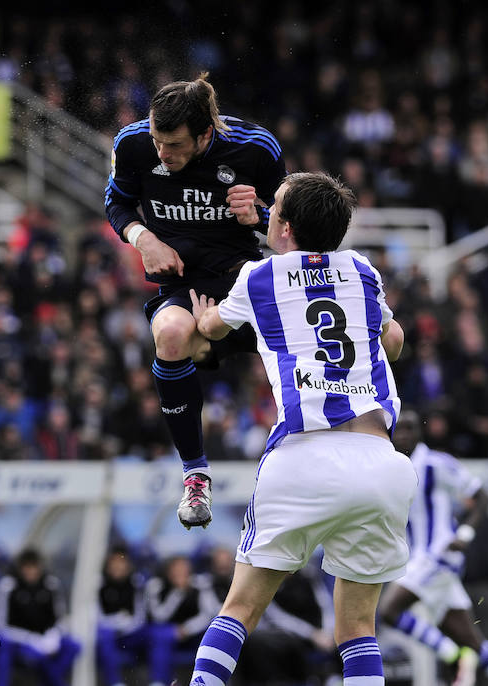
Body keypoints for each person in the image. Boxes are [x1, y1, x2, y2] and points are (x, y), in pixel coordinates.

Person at [186, 171, 415, 686]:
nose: (267, 214)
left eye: (274, 208)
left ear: (285, 228)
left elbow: (212, 329)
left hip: (304, 457)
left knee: (240, 609)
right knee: (358, 629)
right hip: (381, 463)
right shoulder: (362, 269)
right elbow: (394, 342)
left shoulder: (258, 276)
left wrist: (201, 318)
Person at [104, 72, 287, 529]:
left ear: (205, 134)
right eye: (157, 141)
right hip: (184, 285)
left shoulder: (256, 147)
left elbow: (293, 227)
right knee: (169, 335)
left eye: (174, 146)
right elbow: (117, 204)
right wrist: (144, 239)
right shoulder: (133, 144)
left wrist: (260, 215)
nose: (161, 154)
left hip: (246, 280)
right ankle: (195, 476)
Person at [379, 410, 488, 686]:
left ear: (421, 431)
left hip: (437, 556)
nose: (403, 435)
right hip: (420, 559)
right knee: (474, 643)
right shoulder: (393, 467)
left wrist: (464, 534)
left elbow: (482, 497)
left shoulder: (436, 463)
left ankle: (451, 655)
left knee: (389, 611)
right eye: (398, 429)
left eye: (410, 428)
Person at [0, 548, 81, 686]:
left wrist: (53, 636)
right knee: (37, 657)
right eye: (27, 567)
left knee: (74, 646)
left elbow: (61, 617)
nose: (31, 571)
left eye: (34, 567)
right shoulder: (8, 585)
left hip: (46, 638)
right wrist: (28, 638)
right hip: (19, 641)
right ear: (20, 568)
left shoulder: (51, 584)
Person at [145, 555, 219, 686]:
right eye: (176, 569)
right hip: (168, 634)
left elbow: (209, 614)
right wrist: (177, 593)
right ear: (168, 571)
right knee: (160, 635)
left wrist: (187, 629)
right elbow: (159, 617)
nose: (180, 572)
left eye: (184, 568)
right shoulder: (157, 586)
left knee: (215, 636)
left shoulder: (201, 585)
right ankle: (159, 681)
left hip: (195, 633)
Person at [96, 546, 149, 686]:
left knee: (155, 634)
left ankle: (157, 681)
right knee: (104, 636)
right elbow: (96, 616)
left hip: (131, 633)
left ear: (128, 565)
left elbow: (140, 617)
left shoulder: (136, 583)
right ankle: (115, 682)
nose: (117, 566)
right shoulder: (99, 584)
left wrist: (125, 624)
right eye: (114, 562)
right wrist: (117, 621)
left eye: (121, 562)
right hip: (108, 634)